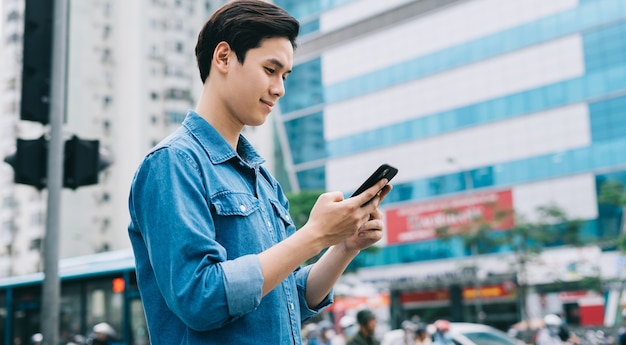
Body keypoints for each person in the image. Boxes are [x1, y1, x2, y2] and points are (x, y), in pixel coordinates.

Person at [127, 1, 393, 344]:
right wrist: (313, 234)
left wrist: (343, 246)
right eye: (270, 69)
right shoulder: (172, 163)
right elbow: (199, 298)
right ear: (223, 57)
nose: (280, 88)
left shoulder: (264, 180)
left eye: (284, 76)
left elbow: (289, 298)